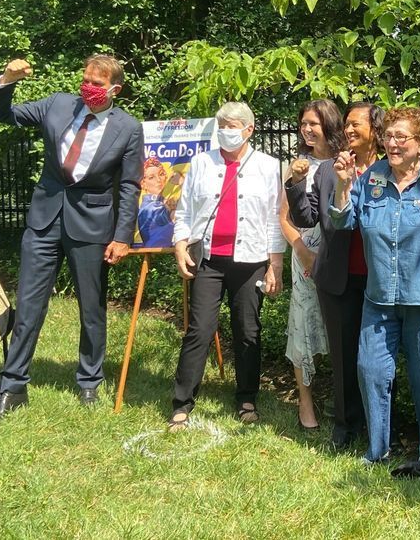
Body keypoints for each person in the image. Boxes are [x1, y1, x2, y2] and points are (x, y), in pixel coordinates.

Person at [0, 55, 145, 418]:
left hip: (92, 225)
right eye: (85, 78)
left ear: (114, 90)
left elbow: (129, 186)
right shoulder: (57, 105)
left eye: (97, 83)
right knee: (27, 305)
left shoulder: (128, 128)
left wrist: (122, 237)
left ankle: (89, 382)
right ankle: (12, 386)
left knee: (92, 309)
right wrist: (6, 81)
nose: (88, 86)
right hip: (44, 221)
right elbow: (4, 115)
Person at [330, 106, 420, 465]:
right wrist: (343, 185)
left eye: (401, 136)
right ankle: (377, 450)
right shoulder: (372, 176)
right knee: (370, 370)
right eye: (388, 135)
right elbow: (343, 221)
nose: (392, 142)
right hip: (380, 296)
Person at [168, 102, 284, 430]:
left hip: (251, 263)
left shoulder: (267, 165)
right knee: (199, 330)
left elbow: (276, 219)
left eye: (232, 126)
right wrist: (179, 245)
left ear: (249, 129)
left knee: (248, 331)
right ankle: (182, 401)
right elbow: (186, 211)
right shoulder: (202, 163)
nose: (226, 131)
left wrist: (275, 264)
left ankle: (246, 397)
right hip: (209, 261)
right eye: (221, 125)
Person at [286, 102, 384, 451]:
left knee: (376, 359)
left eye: (357, 124)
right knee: (344, 357)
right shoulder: (329, 169)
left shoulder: (391, 169)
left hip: (380, 279)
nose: (350, 129)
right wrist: (297, 183)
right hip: (338, 277)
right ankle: (345, 426)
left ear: (376, 130)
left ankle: (381, 426)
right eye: (347, 124)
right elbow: (306, 217)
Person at [279, 99, 346, 431]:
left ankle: (341, 399)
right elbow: (284, 217)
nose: (306, 129)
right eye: (303, 123)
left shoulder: (343, 163)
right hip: (305, 255)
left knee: (337, 327)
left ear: (329, 127)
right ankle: (306, 402)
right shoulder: (296, 166)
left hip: (339, 254)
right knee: (304, 323)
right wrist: (302, 250)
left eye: (313, 124)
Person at [136, 157, 177, 248]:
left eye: (161, 174)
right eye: (151, 177)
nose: (158, 180)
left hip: (167, 254)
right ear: (143, 183)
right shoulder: (149, 207)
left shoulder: (161, 203)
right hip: (158, 255)